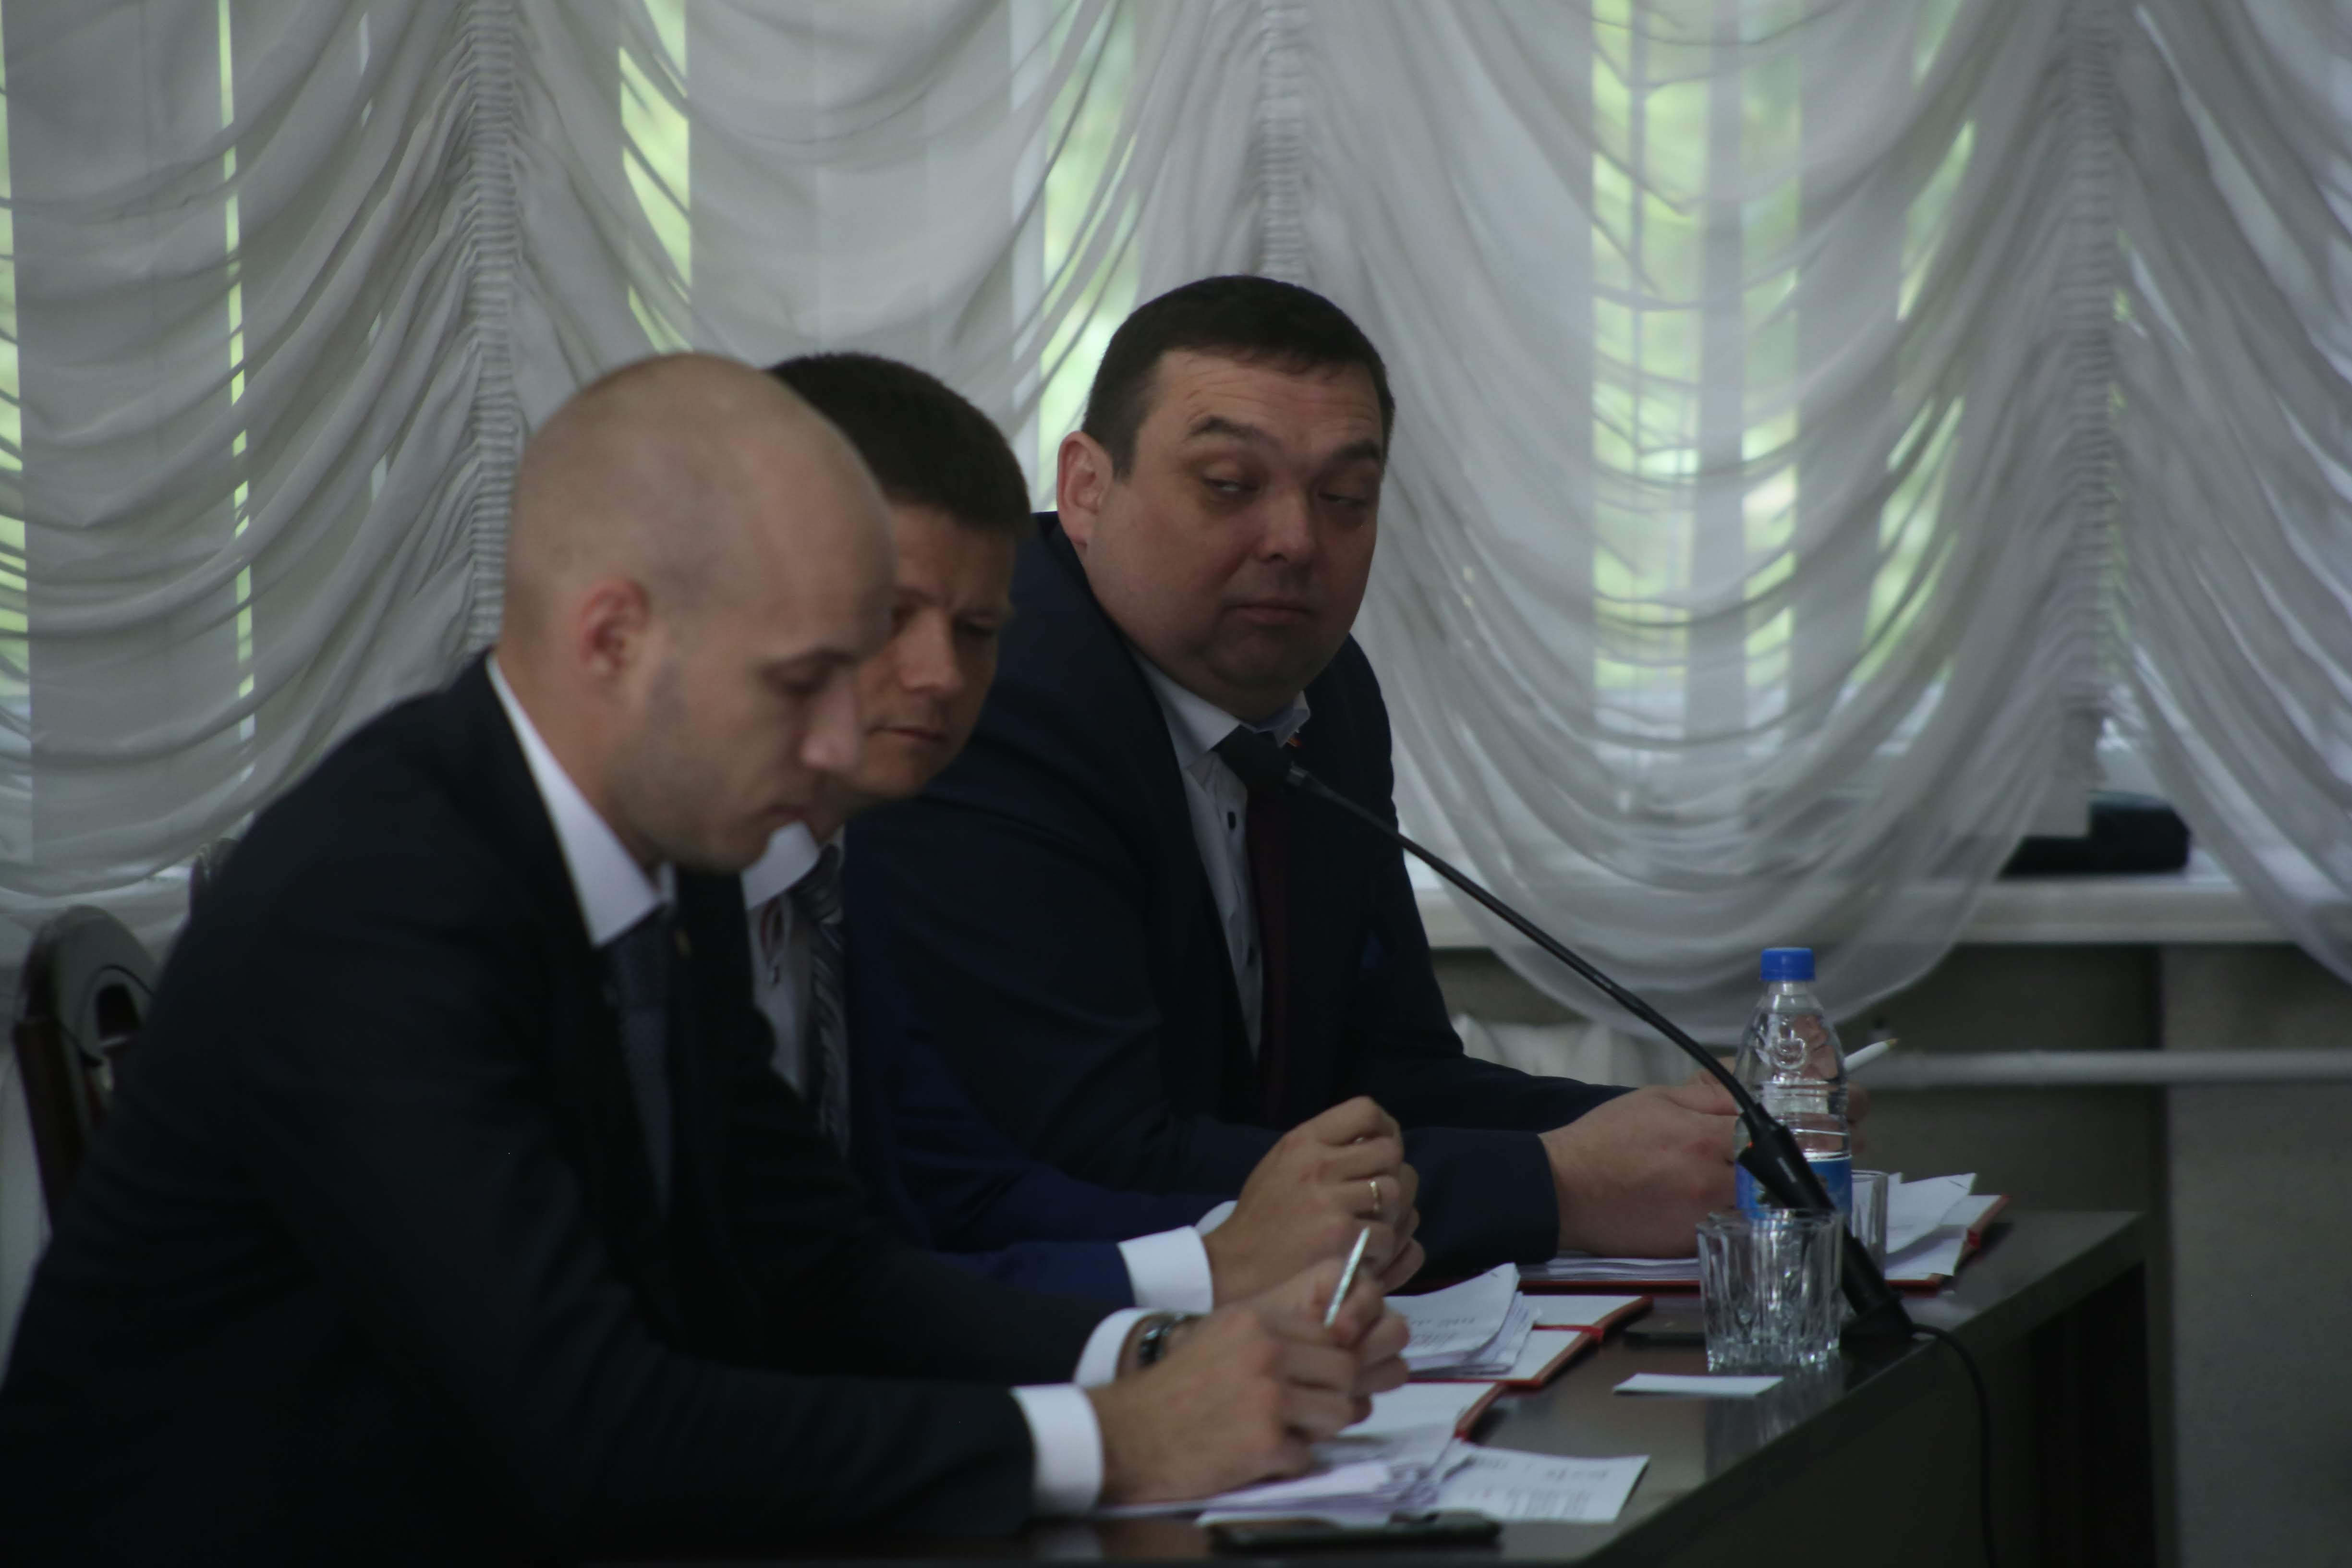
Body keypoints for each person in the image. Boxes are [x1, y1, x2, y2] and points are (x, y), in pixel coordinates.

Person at [0, 354, 1407, 1564]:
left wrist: (1154, 1358)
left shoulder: (662, 861)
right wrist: (1110, 1437)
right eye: (800, 682)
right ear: (611, 636)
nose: (842, 744)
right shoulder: (376, 899)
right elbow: (592, 1429)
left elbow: (817, 1270)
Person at [853, 277, 1745, 1271]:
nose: (1295, 541)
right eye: (1229, 485)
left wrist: (1673, 1135)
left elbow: (1384, 1075)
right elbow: (1097, 1154)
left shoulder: (1328, 692)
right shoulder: (996, 695)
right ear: (1088, 489)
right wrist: (1557, 1185)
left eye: (1344, 499)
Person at [749, 352, 1424, 1311]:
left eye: (978, 629)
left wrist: (1231, 1257)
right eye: (886, 616)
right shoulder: (615, 913)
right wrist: (1205, 1286)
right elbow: (769, 1319)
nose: (942, 673)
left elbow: (957, 1194)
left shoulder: (832, 871)